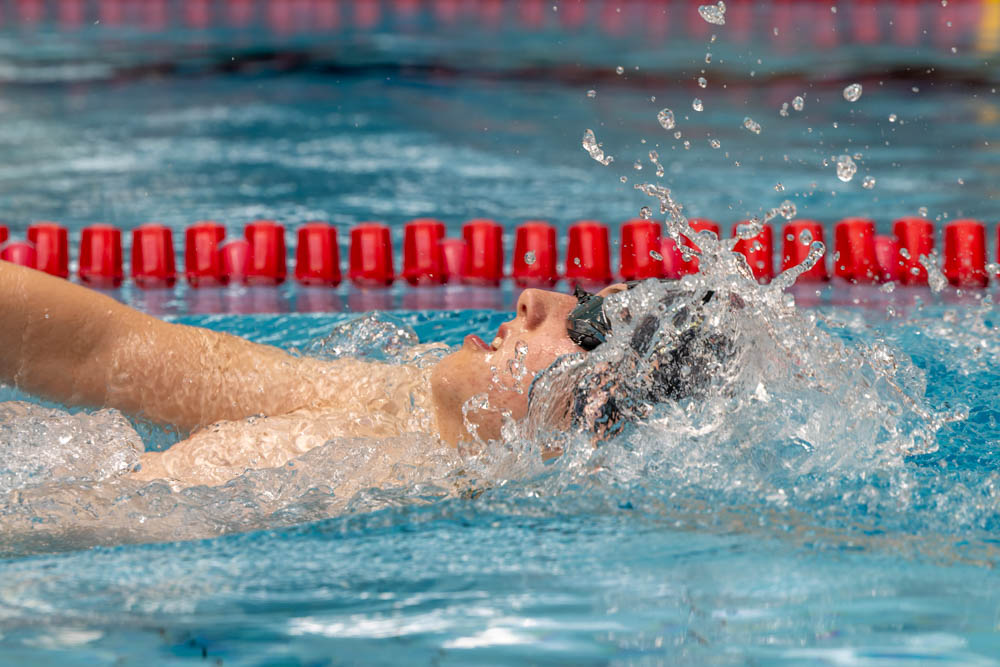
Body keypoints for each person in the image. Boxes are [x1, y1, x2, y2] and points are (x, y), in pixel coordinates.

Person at [0, 258, 629, 488]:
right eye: (581, 296)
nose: (532, 299)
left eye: (586, 329)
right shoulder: (398, 399)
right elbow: (104, 353)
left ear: (597, 416)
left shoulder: (400, 502)